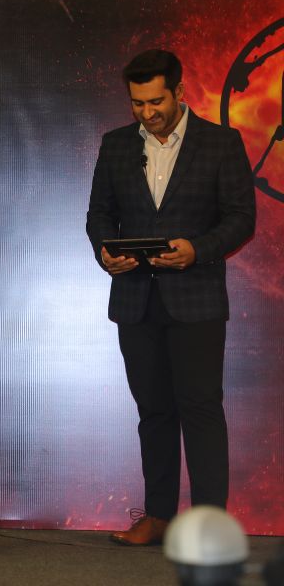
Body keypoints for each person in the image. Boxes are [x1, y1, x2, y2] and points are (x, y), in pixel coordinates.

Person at [86, 50, 256, 545]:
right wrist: (106, 252)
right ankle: (158, 517)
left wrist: (197, 250)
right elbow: (99, 214)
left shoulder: (221, 142)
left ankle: (208, 527)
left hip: (196, 298)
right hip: (135, 298)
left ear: (179, 92)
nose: (147, 112)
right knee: (154, 412)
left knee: (201, 410)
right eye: (137, 103)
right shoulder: (116, 145)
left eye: (155, 101)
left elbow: (241, 218)